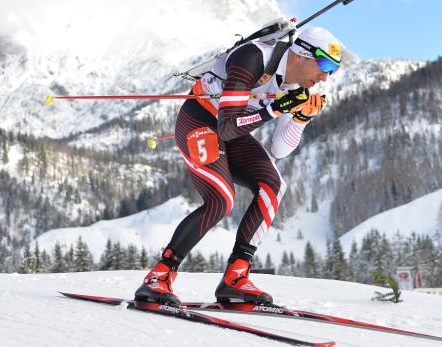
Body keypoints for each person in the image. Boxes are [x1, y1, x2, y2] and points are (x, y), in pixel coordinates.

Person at [134, 27, 343, 305]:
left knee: (273, 186)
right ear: (302, 54)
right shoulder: (253, 57)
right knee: (221, 199)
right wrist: (274, 110)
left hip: (234, 130)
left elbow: (279, 150)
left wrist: (300, 119)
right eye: (326, 65)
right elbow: (228, 127)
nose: (326, 77)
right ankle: (158, 277)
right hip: (201, 120)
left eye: (334, 70)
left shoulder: (297, 88)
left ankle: (236, 277)